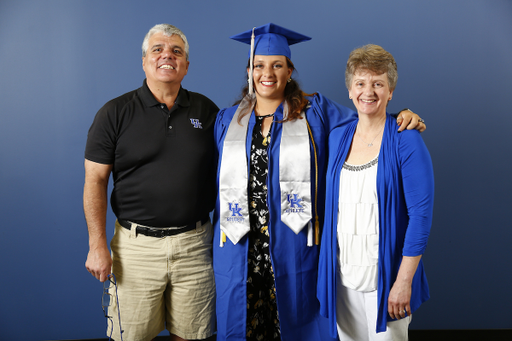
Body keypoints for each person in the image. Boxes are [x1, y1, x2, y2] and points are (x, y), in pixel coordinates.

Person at [213, 24, 425, 341]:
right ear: (249, 71)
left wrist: (403, 115)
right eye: (259, 65)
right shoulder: (227, 120)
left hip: (295, 247)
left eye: (277, 65)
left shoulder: (315, 112)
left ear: (289, 70)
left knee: (295, 325)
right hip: (240, 248)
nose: (267, 73)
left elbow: (367, 118)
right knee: (244, 326)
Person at [84, 24, 218, 341]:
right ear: (144, 61)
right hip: (135, 248)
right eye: (157, 49)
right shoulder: (114, 113)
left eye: (176, 51)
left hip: (195, 247)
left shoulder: (207, 111)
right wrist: (96, 244)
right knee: (131, 336)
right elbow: (95, 181)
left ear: (186, 64)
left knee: (193, 335)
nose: (166, 56)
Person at [317, 44, 435, 341]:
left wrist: (403, 281)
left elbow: (420, 216)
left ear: (390, 91)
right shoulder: (338, 136)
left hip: (386, 278)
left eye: (378, 83)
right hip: (343, 278)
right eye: (360, 83)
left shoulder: (405, 139)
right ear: (349, 89)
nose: (367, 92)